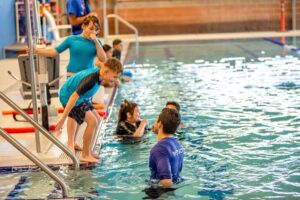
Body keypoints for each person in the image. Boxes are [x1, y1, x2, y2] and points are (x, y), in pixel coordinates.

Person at [55, 58, 123, 163]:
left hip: (81, 98)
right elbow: (73, 96)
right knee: (92, 121)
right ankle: (85, 155)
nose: (115, 80)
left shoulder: (100, 75)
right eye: (114, 77)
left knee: (98, 119)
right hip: (68, 96)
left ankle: (89, 151)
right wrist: (63, 118)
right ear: (106, 71)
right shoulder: (91, 79)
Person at [35, 16, 106, 77]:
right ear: (83, 26)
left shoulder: (97, 43)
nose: (93, 32)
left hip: (88, 76)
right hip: (72, 75)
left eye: (95, 30)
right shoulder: (71, 39)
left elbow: (103, 59)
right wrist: (35, 51)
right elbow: (53, 52)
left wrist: (96, 41)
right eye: (91, 28)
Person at [149, 108, 184, 187]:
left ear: (160, 124)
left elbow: (166, 182)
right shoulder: (177, 144)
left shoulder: (159, 149)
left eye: (156, 120)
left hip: (158, 193)